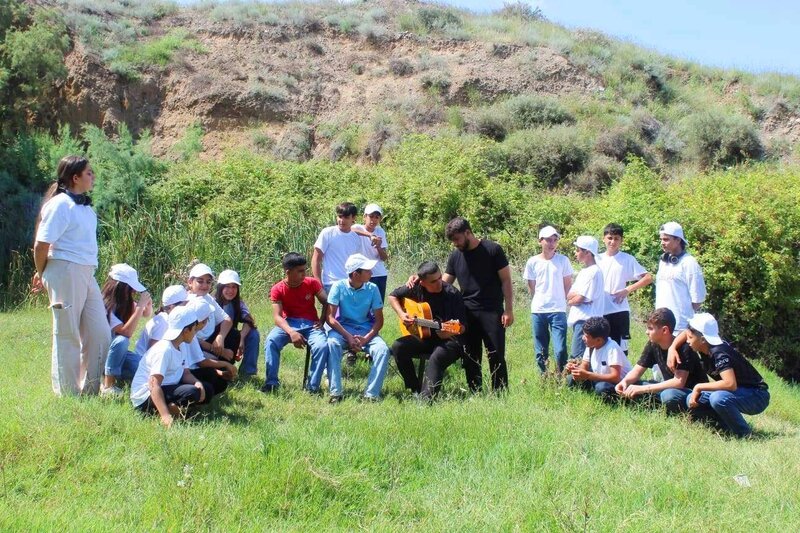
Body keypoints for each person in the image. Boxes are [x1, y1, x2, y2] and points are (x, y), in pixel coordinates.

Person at [32, 156, 111, 396]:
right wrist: (42, 272)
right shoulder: (60, 204)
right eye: (89, 173)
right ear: (74, 178)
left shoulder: (86, 209)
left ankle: (90, 389)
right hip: (65, 268)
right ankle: (67, 394)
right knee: (67, 333)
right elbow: (41, 244)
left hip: (87, 271)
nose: (93, 176)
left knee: (101, 333)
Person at [443, 217, 514, 392]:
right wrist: (420, 280)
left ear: (468, 233)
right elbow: (444, 284)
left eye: (457, 239)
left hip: (492, 311)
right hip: (467, 313)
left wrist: (509, 310)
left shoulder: (493, 250)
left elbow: (506, 280)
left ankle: (500, 393)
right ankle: (475, 391)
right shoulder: (455, 256)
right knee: (470, 356)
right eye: (452, 241)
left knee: (496, 355)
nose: (455, 244)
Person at [683, 313, 769, 438]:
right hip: (740, 392)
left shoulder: (719, 353)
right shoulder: (705, 350)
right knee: (692, 398)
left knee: (718, 398)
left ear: (702, 339)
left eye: (690, 337)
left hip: (757, 395)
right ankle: (725, 429)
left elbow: (730, 384)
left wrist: (698, 387)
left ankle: (745, 435)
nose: (687, 341)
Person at [389, 261, 466, 400]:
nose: (439, 283)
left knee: (437, 357)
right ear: (422, 282)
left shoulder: (453, 294)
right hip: (424, 337)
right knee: (398, 347)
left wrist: (449, 331)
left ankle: (426, 400)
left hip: (450, 340)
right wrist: (402, 314)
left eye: (439, 278)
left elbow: (461, 327)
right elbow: (392, 296)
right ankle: (415, 389)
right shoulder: (416, 287)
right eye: (433, 281)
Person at [130, 306, 212, 427]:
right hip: (145, 396)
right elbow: (153, 384)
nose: (195, 334)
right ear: (185, 331)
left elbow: (186, 373)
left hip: (166, 388)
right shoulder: (164, 350)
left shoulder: (181, 345)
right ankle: (164, 412)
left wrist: (197, 383)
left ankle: (174, 409)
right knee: (191, 392)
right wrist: (165, 416)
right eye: (194, 330)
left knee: (206, 389)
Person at [325, 253, 391, 403]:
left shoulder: (372, 288)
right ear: (356, 274)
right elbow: (330, 318)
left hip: (365, 330)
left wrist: (365, 339)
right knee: (332, 344)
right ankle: (335, 392)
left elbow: (379, 321)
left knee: (382, 350)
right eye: (367, 270)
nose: (371, 273)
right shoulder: (338, 287)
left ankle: (371, 395)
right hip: (343, 328)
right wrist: (348, 336)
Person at [615, 308, 707, 412]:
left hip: (690, 393)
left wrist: (642, 390)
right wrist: (625, 382)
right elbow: (638, 370)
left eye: (650, 328)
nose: (646, 332)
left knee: (668, 395)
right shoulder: (653, 344)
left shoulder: (685, 348)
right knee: (635, 385)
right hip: (668, 388)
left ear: (665, 330)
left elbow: (679, 382)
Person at [265, 252, 329, 394]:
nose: (304, 274)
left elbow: (327, 302)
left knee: (322, 346)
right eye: (300, 271)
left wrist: (322, 320)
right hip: (288, 323)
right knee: (271, 340)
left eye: (305, 270)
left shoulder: (312, 283)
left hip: (312, 325)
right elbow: (277, 317)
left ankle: (312, 387)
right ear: (288, 272)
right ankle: (271, 383)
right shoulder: (277, 289)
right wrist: (292, 332)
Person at [523, 225, 573, 374]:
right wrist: (537, 302)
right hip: (538, 310)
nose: (552, 243)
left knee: (560, 349)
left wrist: (562, 302)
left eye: (554, 240)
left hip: (558, 310)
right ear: (540, 241)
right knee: (541, 350)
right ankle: (544, 377)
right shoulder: (532, 262)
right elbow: (532, 287)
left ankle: (561, 376)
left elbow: (567, 286)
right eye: (548, 240)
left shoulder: (563, 261)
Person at [598, 223, 652, 355]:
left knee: (619, 351)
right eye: (610, 238)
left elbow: (647, 277)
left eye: (616, 238)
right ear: (603, 239)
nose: (612, 242)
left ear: (621, 240)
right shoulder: (596, 258)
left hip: (619, 310)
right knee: (600, 347)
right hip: (599, 309)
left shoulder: (627, 259)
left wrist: (627, 290)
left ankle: (622, 375)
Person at [100, 263, 152, 396]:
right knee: (121, 341)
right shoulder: (106, 305)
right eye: (131, 288)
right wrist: (140, 306)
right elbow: (126, 332)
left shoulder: (123, 301)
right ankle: (108, 385)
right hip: (100, 354)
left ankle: (117, 375)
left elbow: (146, 314)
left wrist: (147, 304)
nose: (133, 292)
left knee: (142, 368)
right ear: (120, 287)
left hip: (116, 354)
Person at [656, 222, 705, 334]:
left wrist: (684, 320)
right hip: (660, 326)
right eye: (661, 239)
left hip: (680, 328)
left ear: (678, 240)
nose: (662, 243)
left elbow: (698, 299)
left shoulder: (689, 263)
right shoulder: (663, 262)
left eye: (666, 239)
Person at [183, 298, 238, 399]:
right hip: (185, 374)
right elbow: (201, 362)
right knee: (210, 382)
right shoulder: (188, 334)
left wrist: (220, 372)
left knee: (218, 380)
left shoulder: (191, 332)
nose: (207, 321)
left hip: (188, 371)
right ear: (201, 321)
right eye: (206, 319)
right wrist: (225, 364)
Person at [566, 317, 632, 400]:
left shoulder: (612, 348)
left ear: (598, 340)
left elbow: (615, 377)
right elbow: (584, 366)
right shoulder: (590, 346)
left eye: (586, 336)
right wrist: (575, 369)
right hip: (600, 379)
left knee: (602, 388)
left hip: (620, 384)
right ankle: (578, 397)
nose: (583, 338)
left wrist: (588, 375)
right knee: (571, 378)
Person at [186, 263, 235, 363]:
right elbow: (189, 337)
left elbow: (227, 320)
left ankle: (226, 367)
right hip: (193, 345)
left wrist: (220, 337)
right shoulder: (186, 302)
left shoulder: (207, 298)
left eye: (208, 282)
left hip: (210, 340)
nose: (205, 286)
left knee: (233, 334)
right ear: (190, 282)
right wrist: (217, 350)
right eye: (200, 281)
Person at [567, 236, 605, 361]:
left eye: (578, 250)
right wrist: (573, 298)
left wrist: (571, 301)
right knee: (582, 356)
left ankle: (579, 381)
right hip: (580, 320)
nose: (575, 253)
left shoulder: (594, 272)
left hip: (586, 321)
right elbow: (570, 294)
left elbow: (580, 299)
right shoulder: (584, 271)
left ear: (587, 252)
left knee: (578, 356)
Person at [215, 269, 260, 376]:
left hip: (232, 338)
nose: (230, 290)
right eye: (227, 286)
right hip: (215, 341)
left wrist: (241, 338)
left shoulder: (237, 303)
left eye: (234, 287)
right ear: (220, 287)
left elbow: (249, 321)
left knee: (253, 334)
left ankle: (247, 372)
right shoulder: (212, 302)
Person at [312, 202, 363, 293]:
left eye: (346, 217)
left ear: (354, 218)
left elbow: (357, 264)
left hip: (350, 284)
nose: (341, 220)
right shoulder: (327, 233)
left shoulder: (355, 238)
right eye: (340, 216)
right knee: (329, 308)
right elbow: (316, 259)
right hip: (331, 283)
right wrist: (318, 283)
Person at [134, 285, 188, 357]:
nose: (187, 307)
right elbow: (152, 352)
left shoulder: (168, 319)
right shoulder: (162, 323)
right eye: (185, 304)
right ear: (172, 307)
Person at [352, 203, 389, 301]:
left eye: (376, 217)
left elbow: (384, 258)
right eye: (371, 216)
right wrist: (369, 235)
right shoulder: (358, 227)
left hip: (379, 273)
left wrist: (379, 247)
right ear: (365, 217)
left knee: (378, 304)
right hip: (363, 273)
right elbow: (351, 229)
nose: (373, 220)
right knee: (363, 304)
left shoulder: (380, 231)